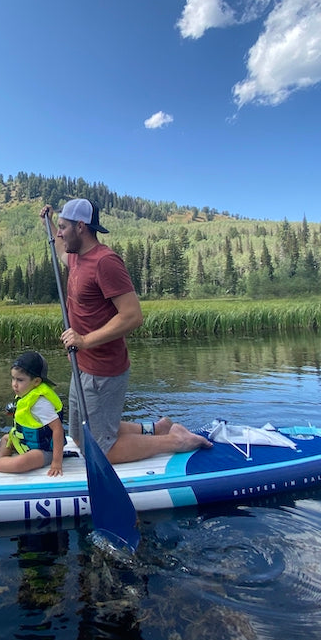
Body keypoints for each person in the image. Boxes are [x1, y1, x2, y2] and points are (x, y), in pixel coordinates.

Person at [42, 198, 210, 463]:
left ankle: (176, 441)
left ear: (81, 227)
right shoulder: (76, 257)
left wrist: (85, 340)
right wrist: (49, 222)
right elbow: (61, 250)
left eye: (64, 227)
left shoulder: (105, 261)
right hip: (82, 364)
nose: (60, 234)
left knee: (98, 450)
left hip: (103, 370)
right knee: (78, 433)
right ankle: (158, 428)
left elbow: (132, 316)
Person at [0, 351, 65, 476]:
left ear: (37, 382)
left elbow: (58, 430)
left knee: (21, 462)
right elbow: (29, 418)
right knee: (6, 438)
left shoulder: (41, 403)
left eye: (20, 380)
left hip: (43, 450)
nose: (14, 384)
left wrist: (56, 462)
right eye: (13, 378)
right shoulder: (26, 393)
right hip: (25, 443)